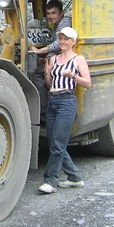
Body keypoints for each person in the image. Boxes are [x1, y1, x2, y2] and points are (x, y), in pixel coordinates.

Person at [38, 26, 91, 194]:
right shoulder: (53, 59)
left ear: (73, 42)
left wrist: (73, 76)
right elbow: (49, 85)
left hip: (67, 102)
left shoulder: (78, 60)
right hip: (53, 101)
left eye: (66, 39)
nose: (62, 42)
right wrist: (47, 74)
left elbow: (87, 83)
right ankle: (75, 177)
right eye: (60, 39)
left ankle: (50, 181)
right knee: (55, 143)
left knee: (57, 145)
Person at [29, 0, 71, 112]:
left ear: (61, 13)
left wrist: (39, 51)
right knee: (38, 70)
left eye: (54, 13)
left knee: (40, 73)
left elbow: (59, 44)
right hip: (59, 57)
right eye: (48, 13)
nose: (50, 16)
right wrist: (46, 58)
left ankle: (45, 107)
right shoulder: (55, 25)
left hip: (67, 59)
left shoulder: (65, 23)